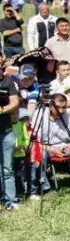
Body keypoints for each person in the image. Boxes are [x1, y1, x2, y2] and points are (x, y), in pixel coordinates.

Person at [29, 91, 70, 196]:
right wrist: (52, 149)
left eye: (64, 107)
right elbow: (35, 142)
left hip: (65, 145)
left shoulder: (67, 114)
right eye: (58, 107)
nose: (61, 110)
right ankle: (46, 188)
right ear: (50, 105)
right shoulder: (39, 114)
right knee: (39, 154)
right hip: (45, 146)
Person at [0, 65, 20, 209]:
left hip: (6, 131)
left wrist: (1, 110)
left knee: (7, 169)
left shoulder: (8, 81)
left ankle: (10, 201)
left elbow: (15, 103)